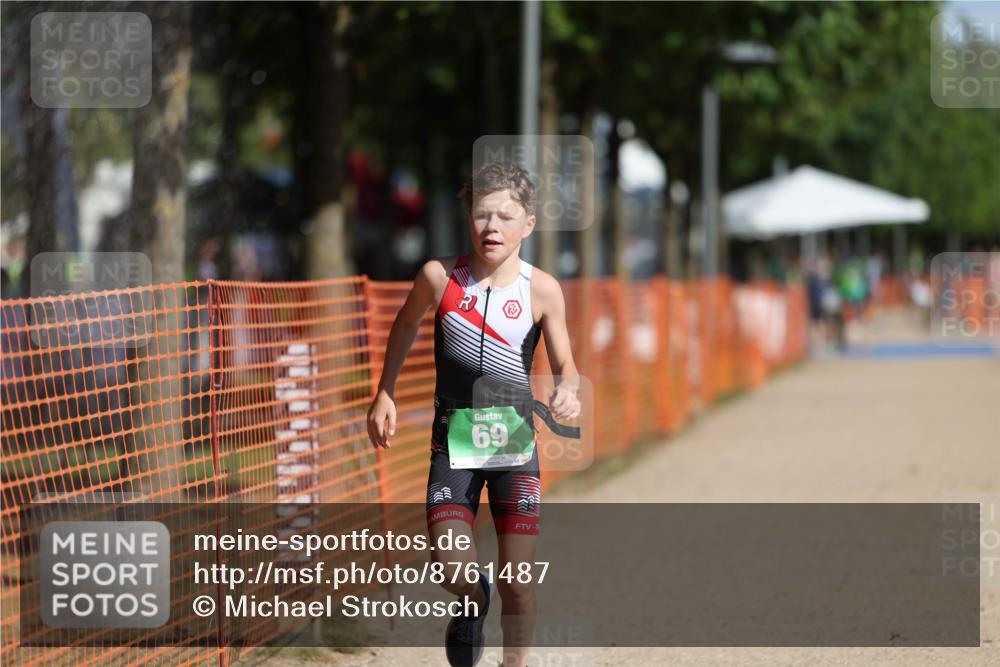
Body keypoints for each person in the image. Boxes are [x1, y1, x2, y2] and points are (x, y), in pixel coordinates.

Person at [367, 162, 581, 667]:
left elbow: (566, 363)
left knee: (518, 583)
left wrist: (569, 389)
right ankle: (471, 597)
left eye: (506, 217)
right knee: (452, 569)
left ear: (528, 223)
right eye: (482, 215)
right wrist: (385, 392)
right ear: (468, 217)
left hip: (514, 446)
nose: (492, 228)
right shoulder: (439, 277)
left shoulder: (542, 289)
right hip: (453, 444)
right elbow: (403, 326)